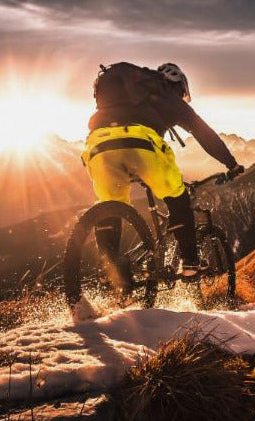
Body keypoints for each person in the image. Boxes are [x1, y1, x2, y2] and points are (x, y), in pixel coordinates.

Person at [84, 61, 244, 276]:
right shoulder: (167, 94)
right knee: (177, 197)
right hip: (142, 146)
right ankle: (190, 264)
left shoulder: (124, 89)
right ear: (178, 85)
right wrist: (231, 163)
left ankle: (111, 272)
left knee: (110, 206)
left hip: (98, 146)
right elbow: (203, 133)